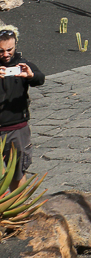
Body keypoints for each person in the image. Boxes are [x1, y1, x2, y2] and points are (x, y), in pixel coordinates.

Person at [0, 26, 43, 175]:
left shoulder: (23, 65)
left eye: (9, 49)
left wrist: (30, 76)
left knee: (17, 174)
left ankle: (19, 198)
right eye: (1, 51)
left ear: (15, 45)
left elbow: (40, 78)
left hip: (17, 128)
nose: (6, 54)